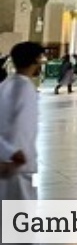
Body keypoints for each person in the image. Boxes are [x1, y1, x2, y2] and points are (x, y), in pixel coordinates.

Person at [0, 42, 44, 200]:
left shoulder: (4, 84)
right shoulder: (25, 88)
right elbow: (22, 128)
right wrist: (16, 155)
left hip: (8, 162)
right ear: (35, 60)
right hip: (20, 165)